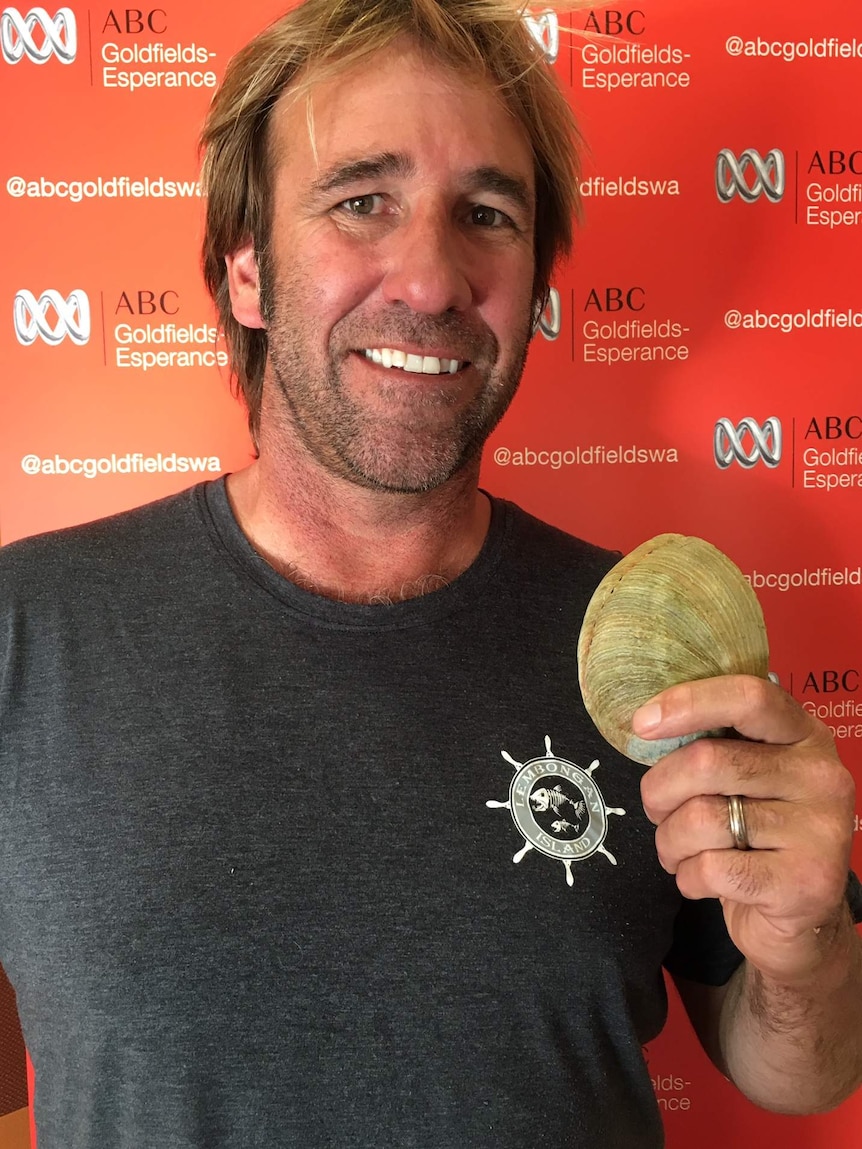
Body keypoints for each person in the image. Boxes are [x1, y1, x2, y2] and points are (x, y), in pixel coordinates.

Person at [1, 2, 860, 1146]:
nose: (429, 278)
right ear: (247, 271)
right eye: (362, 201)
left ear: (535, 285)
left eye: (487, 214)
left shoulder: (652, 663)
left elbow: (792, 1070)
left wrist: (807, 948)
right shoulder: (26, 631)